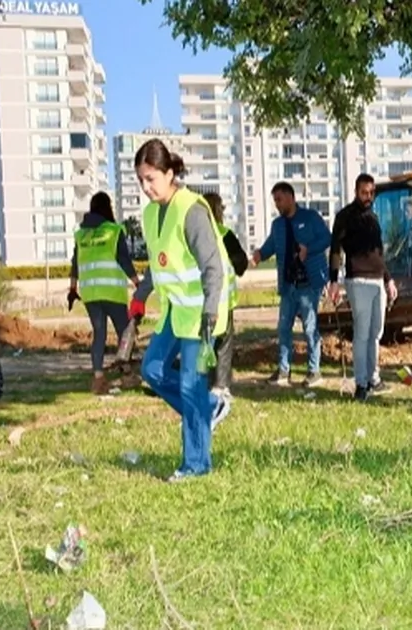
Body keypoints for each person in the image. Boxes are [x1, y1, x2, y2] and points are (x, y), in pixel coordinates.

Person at [128, 139, 234, 482]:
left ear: (170, 173)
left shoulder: (191, 209)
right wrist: (141, 296)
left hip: (202, 311)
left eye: (151, 179)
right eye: (141, 180)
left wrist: (211, 312)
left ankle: (196, 464)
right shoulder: (149, 214)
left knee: (189, 385)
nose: (146, 187)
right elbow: (157, 267)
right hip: (176, 310)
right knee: (152, 370)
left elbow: (213, 266)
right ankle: (208, 407)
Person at [250, 182, 332, 387]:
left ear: (291, 197)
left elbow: (326, 239)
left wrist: (308, 249)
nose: (277, 204)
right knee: (283, 328)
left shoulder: (310, 218)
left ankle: (314, 371)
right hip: (288, 285)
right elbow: (272, 244)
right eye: (275, 200)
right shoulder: (277, 225)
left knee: (309, 327)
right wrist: (260, 254)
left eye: (279, 199)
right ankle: (283, 370)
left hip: (309, 283)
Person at [328, 173, 398, 401]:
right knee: (362, 334)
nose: (368, 197)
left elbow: (378, 253)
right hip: (358, 281)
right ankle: (360, 384)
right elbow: (336, 250)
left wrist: (388, 279)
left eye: (371, 193)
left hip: (378, 280)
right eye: (363, 193)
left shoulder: (374, 218)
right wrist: (333, 281)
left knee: (376, 333)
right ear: (356, 191)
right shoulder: (345, 217)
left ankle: (373, 378)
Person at [69, 191, 141, 395]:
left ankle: (99, 379)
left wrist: (72, 288)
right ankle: (127, 375)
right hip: (111, 292)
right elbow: (124, 259)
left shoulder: (81, 234)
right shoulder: (113, 230)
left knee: (99, 334)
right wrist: (137, 283)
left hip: (90, 294)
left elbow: (75, 263)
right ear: (107, 208)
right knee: (125, 333)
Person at [202, 192, 249, 399]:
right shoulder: (224, 234)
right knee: (223, 343)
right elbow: (241, 264)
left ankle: (201, 382)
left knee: (203, 341)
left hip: (199, 300)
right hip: (222, 300)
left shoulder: (192, 234)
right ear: (218, 210)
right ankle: (220, 385)